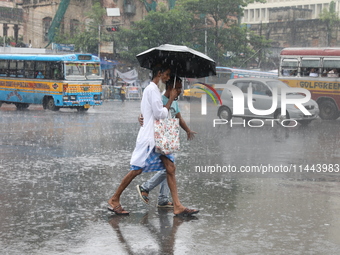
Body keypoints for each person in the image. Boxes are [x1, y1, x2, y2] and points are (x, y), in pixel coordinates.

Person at [107, 64, 199, 217]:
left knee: (170, 168)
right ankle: (114, 198)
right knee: (137, 169)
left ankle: (177, 206)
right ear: (159, 73)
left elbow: (150, 112)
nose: (168, 77)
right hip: (151, 138)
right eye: (167, 74)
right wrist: (169, 100)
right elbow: (160, 114)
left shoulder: (152, 90)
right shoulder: (152, 90)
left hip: (158, 138)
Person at [136, 76, 197, 208]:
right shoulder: (160, 99)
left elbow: (178, 117)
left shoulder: (174, 102)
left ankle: (163, 198)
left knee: (169, 168)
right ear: (171, 87)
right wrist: (141, 118)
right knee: (169, 168)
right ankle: (146, 187)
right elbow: (150, 114)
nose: (181, 91)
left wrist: (187, 130)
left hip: (169, 137)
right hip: (158, 138)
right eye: (179, 88)